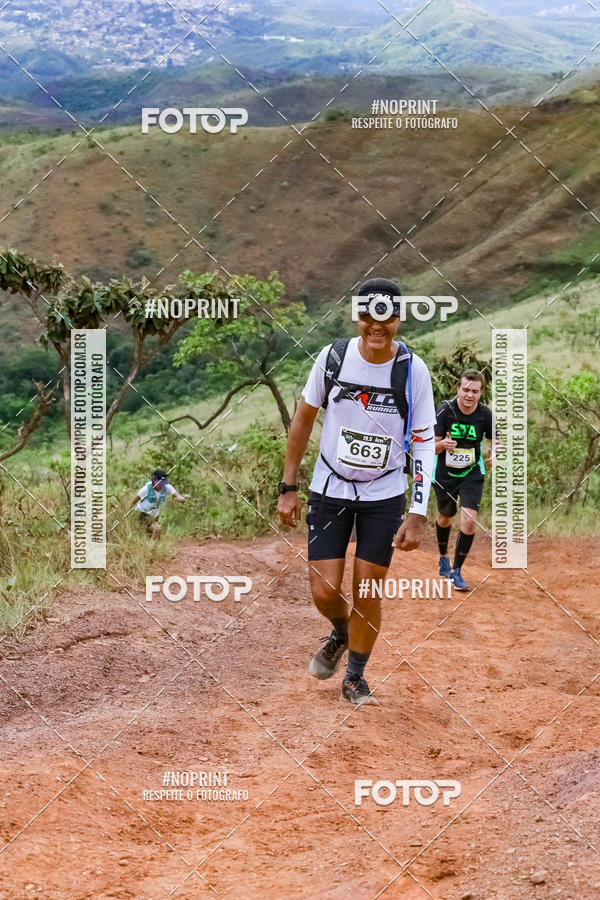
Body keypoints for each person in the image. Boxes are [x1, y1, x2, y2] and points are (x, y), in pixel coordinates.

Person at [277, 278, 436, 706]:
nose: (375, 326)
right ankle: (343, 632)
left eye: (384, 318)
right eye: (367, 316)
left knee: (367, 589)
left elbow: (422, 442)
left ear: (399, 320)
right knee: (324, 590)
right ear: (358, 317)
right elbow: (303, 420)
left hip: (383, 494)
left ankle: (355, 676)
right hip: (330, 487)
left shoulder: (413, 371)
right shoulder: (333, 359)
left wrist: (417, 512)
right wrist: (288, 485)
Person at [434, 370, 494, 591]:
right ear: (458, 389)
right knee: (445, 517)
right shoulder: (445, 410)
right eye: (466, 390)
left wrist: (494, 452)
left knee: (469, 520)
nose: (470, 395)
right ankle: (443, 557)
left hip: (471, 473)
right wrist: (443, 446)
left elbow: (495, 438)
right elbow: (431, 446)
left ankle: (456, 571)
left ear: (480, 393)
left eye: (475, 391)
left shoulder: (484, 414)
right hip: (444, 474)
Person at [128, 469, 187, 539]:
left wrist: (181, 499)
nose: (161, 486)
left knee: (156, 533)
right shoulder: (146, 489)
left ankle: (153, 547)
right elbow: (135, 501)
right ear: (153, 481)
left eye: (162, 483)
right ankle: (152, 547)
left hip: (154, 515)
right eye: (159, 484)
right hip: (143, 513)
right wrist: (129, 513)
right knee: (156, 529)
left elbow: (177, 495)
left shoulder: (167, 487)